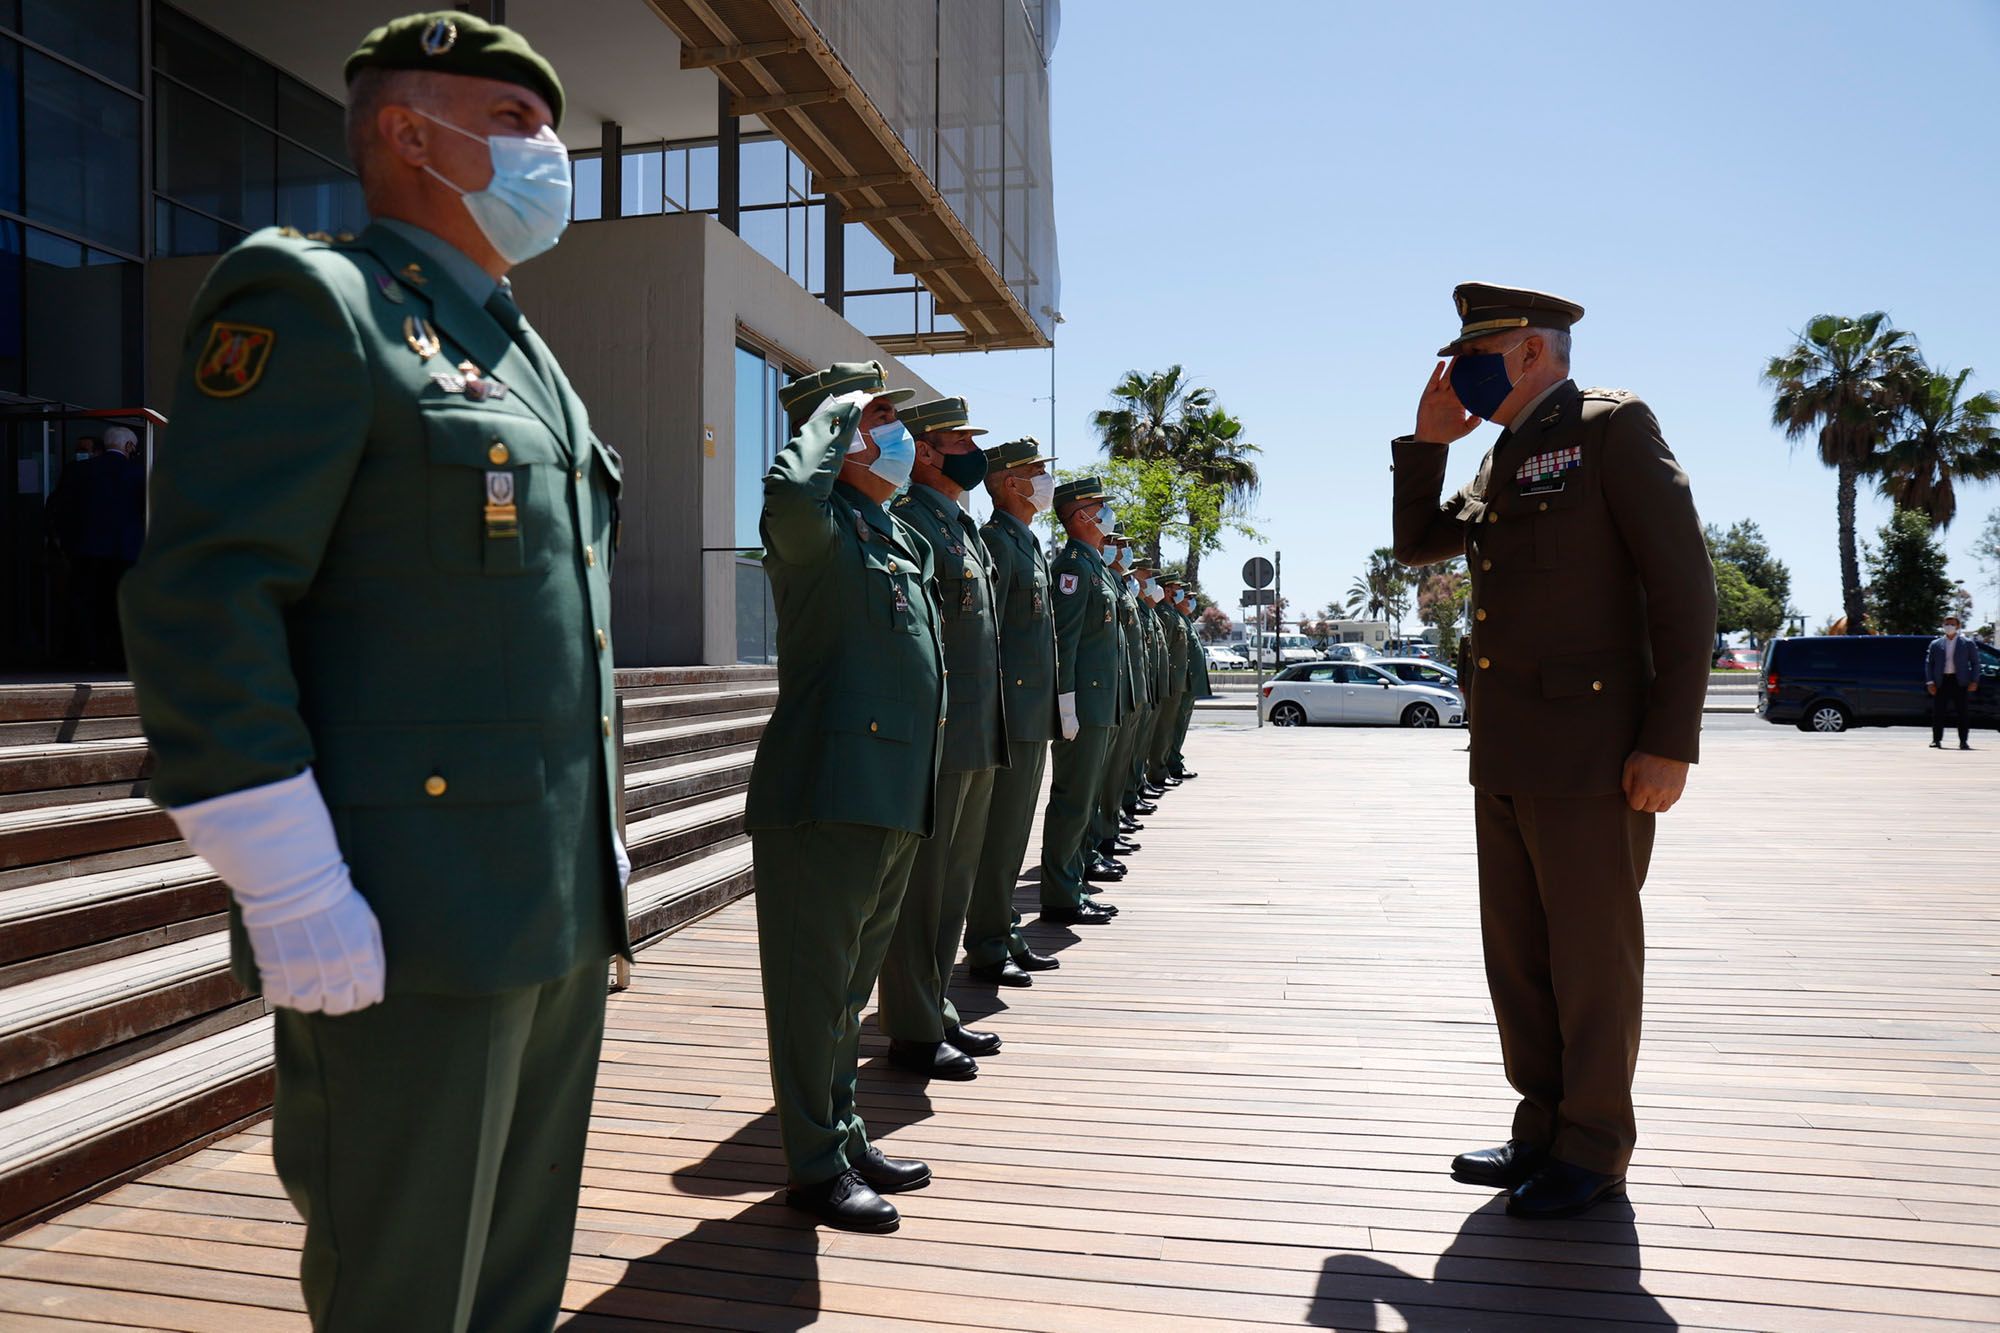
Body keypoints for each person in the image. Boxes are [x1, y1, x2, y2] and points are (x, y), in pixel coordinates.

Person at [120, 13, 626, 1328]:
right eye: (514, 125)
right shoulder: (313, 302)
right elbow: (206, 596)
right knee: (405, 1286)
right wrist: (283, 874)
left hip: (548, 909)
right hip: (404, 913)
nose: (546, 154)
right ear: (409, 133)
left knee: (515, 1274)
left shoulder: (523, 350)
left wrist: (598, 872)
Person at [1390, 282, 1716, 1220]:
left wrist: (1670, 741)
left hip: (1595, 752)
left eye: (1476, 352)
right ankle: (1541, 1123)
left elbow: (1684, 590)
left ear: (1531, 352)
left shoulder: (1615, 428)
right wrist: (1427, 445)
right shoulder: (1501, 456)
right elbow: (1420, 543)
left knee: (1592, 954)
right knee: (1522, 954)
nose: (1460, 371)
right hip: (1509, 748)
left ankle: (1596, 1144)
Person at [747, 359, 943, 1234]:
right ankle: (814, 1165)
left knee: (850, 990)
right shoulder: (812, 528)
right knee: (812, 990)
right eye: (883, 421)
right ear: (840, 440)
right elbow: (790, 495)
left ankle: (843, 1131)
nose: (901, 436)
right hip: (828, 794)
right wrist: (830, 412)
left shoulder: (894, 534)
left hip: (894, 792)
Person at [877, 396, 1008, 1080]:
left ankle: (937, 1009)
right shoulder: (914, 525)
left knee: (952, 889)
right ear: (925, 451)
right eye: (959, 439)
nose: (970, 451)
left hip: (976, 729)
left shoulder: (960, 526)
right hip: (940, 735)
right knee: (922, 895)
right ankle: (912, 1027)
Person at [964, 437, 1064, 986]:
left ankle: (1002, 928)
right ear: (1008, 483)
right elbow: (990, 638)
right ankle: (985, 941)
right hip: (1009, 714)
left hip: (1031, 713)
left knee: (1014, 832)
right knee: (998, 836)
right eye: (1036, 470)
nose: (1044, 479)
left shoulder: (1026, 543)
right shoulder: (997, 544)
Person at [1037, 480, 1122, 926]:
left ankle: (1072, 881)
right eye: (1098, 507)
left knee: (1084, 798)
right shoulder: (1073, 565)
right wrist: (1065, 703)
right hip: (1083, 704)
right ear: (1078, 517)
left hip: (1100, 702)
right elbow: (1064, 640)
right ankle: (1061, 894)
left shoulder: (1094, 566)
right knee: (1072, 799)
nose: (1105, 514)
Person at [48, 424, 146, 668]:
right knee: (118, 605)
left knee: (84, 602)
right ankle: (117, 656)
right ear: (129, 446)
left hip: (85, 550)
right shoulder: (140, 473)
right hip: (125, 551)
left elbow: (57, 507)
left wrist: (63, 541)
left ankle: (86, 655)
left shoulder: (78, 471)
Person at [1926, 616, 1979, 750]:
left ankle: (1963, 741)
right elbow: (1929, 664)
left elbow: (1975, 663)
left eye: (1952, 624)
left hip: (1960, 681)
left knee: (1962, 712)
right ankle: (1936, 740)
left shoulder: (1967, 643)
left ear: (1958, 626)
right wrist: (1930, 682)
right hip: (1942, 681)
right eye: (1946, 624)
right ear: (1943, 625)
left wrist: (1974, 680)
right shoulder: (1936, 644)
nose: (1949, 626)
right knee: (1938, 712)